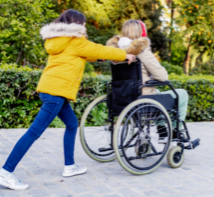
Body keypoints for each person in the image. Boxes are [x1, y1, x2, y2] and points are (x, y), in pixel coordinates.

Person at [0, 9, 135, 190]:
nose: (85, 27)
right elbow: (97, 48)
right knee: (33, 133)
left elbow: (90, 53)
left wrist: (100, 57)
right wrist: (125, 55)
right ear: (76, 23)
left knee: (72, 124)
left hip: (51, 90)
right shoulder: (76, 41)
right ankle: (6, 171)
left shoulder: (59, 40)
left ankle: (69, 166)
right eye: (84, 24)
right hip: (56, 94)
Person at [106, 20, 189, 143]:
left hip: (122, 97)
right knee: (181, 94)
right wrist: (152, 77)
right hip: (141, 97)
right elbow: (162, 76)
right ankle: (174, 132)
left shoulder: (116, 52)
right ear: (140, 32)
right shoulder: (142, 50)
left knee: (158, 92)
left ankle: (162, 131)